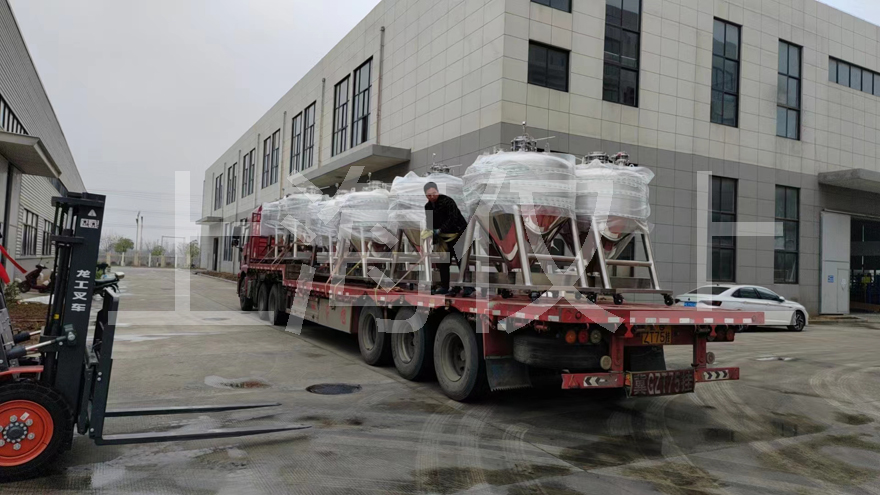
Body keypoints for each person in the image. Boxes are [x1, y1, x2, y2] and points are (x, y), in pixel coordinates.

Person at [424, 182, 467, 294]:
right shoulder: (428, 207)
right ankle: (444, 286)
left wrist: (440, 230)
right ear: (426, 195)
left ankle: (467, 287)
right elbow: (429, 222)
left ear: (438, 191)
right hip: (443, 238)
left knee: (461, 260)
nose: (432, 196)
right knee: (443, 261)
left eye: (434, 193)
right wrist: (430, 233)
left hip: (458, 233)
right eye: (429, 195)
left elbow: (453, 218)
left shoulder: (447, 201)